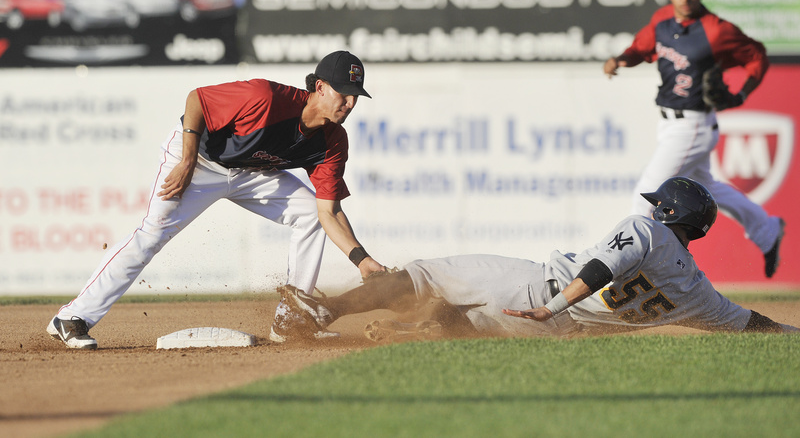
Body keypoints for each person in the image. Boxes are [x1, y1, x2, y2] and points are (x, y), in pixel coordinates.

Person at [47, 50, 387, 350]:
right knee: (151, 234)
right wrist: (187, 161)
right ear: (320, 88)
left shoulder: (333, 141)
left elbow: (329, 211)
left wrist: (361, 260)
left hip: (251, 172)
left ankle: (291, 320)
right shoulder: (266, 97)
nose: (350, 103)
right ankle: (73, 317)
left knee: (310, 213)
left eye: (356, 96)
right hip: (200, 160)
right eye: (344, 94)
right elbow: (197, 100)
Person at [280, 177, 799, 342]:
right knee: (462, 324)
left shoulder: (649, 230)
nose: (653, 208)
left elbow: (598, 271)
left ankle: (323, 314)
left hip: (541, 292)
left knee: (421, 275)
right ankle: (423, 330)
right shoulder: (696, 293)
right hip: (559, 334)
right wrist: (791, 335)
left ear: (669, 211)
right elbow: (748, 322)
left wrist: (552, 305)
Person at [602, 0, 785, 278]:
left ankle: (630, 267)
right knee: (709, 188)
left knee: (648, 192)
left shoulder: (716, 29)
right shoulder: (661, 21)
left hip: (693, 125)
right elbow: (640, 49)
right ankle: (767, 229)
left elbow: (757, 55)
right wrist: (621, 59)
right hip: (670, 123)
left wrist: (741, 95)